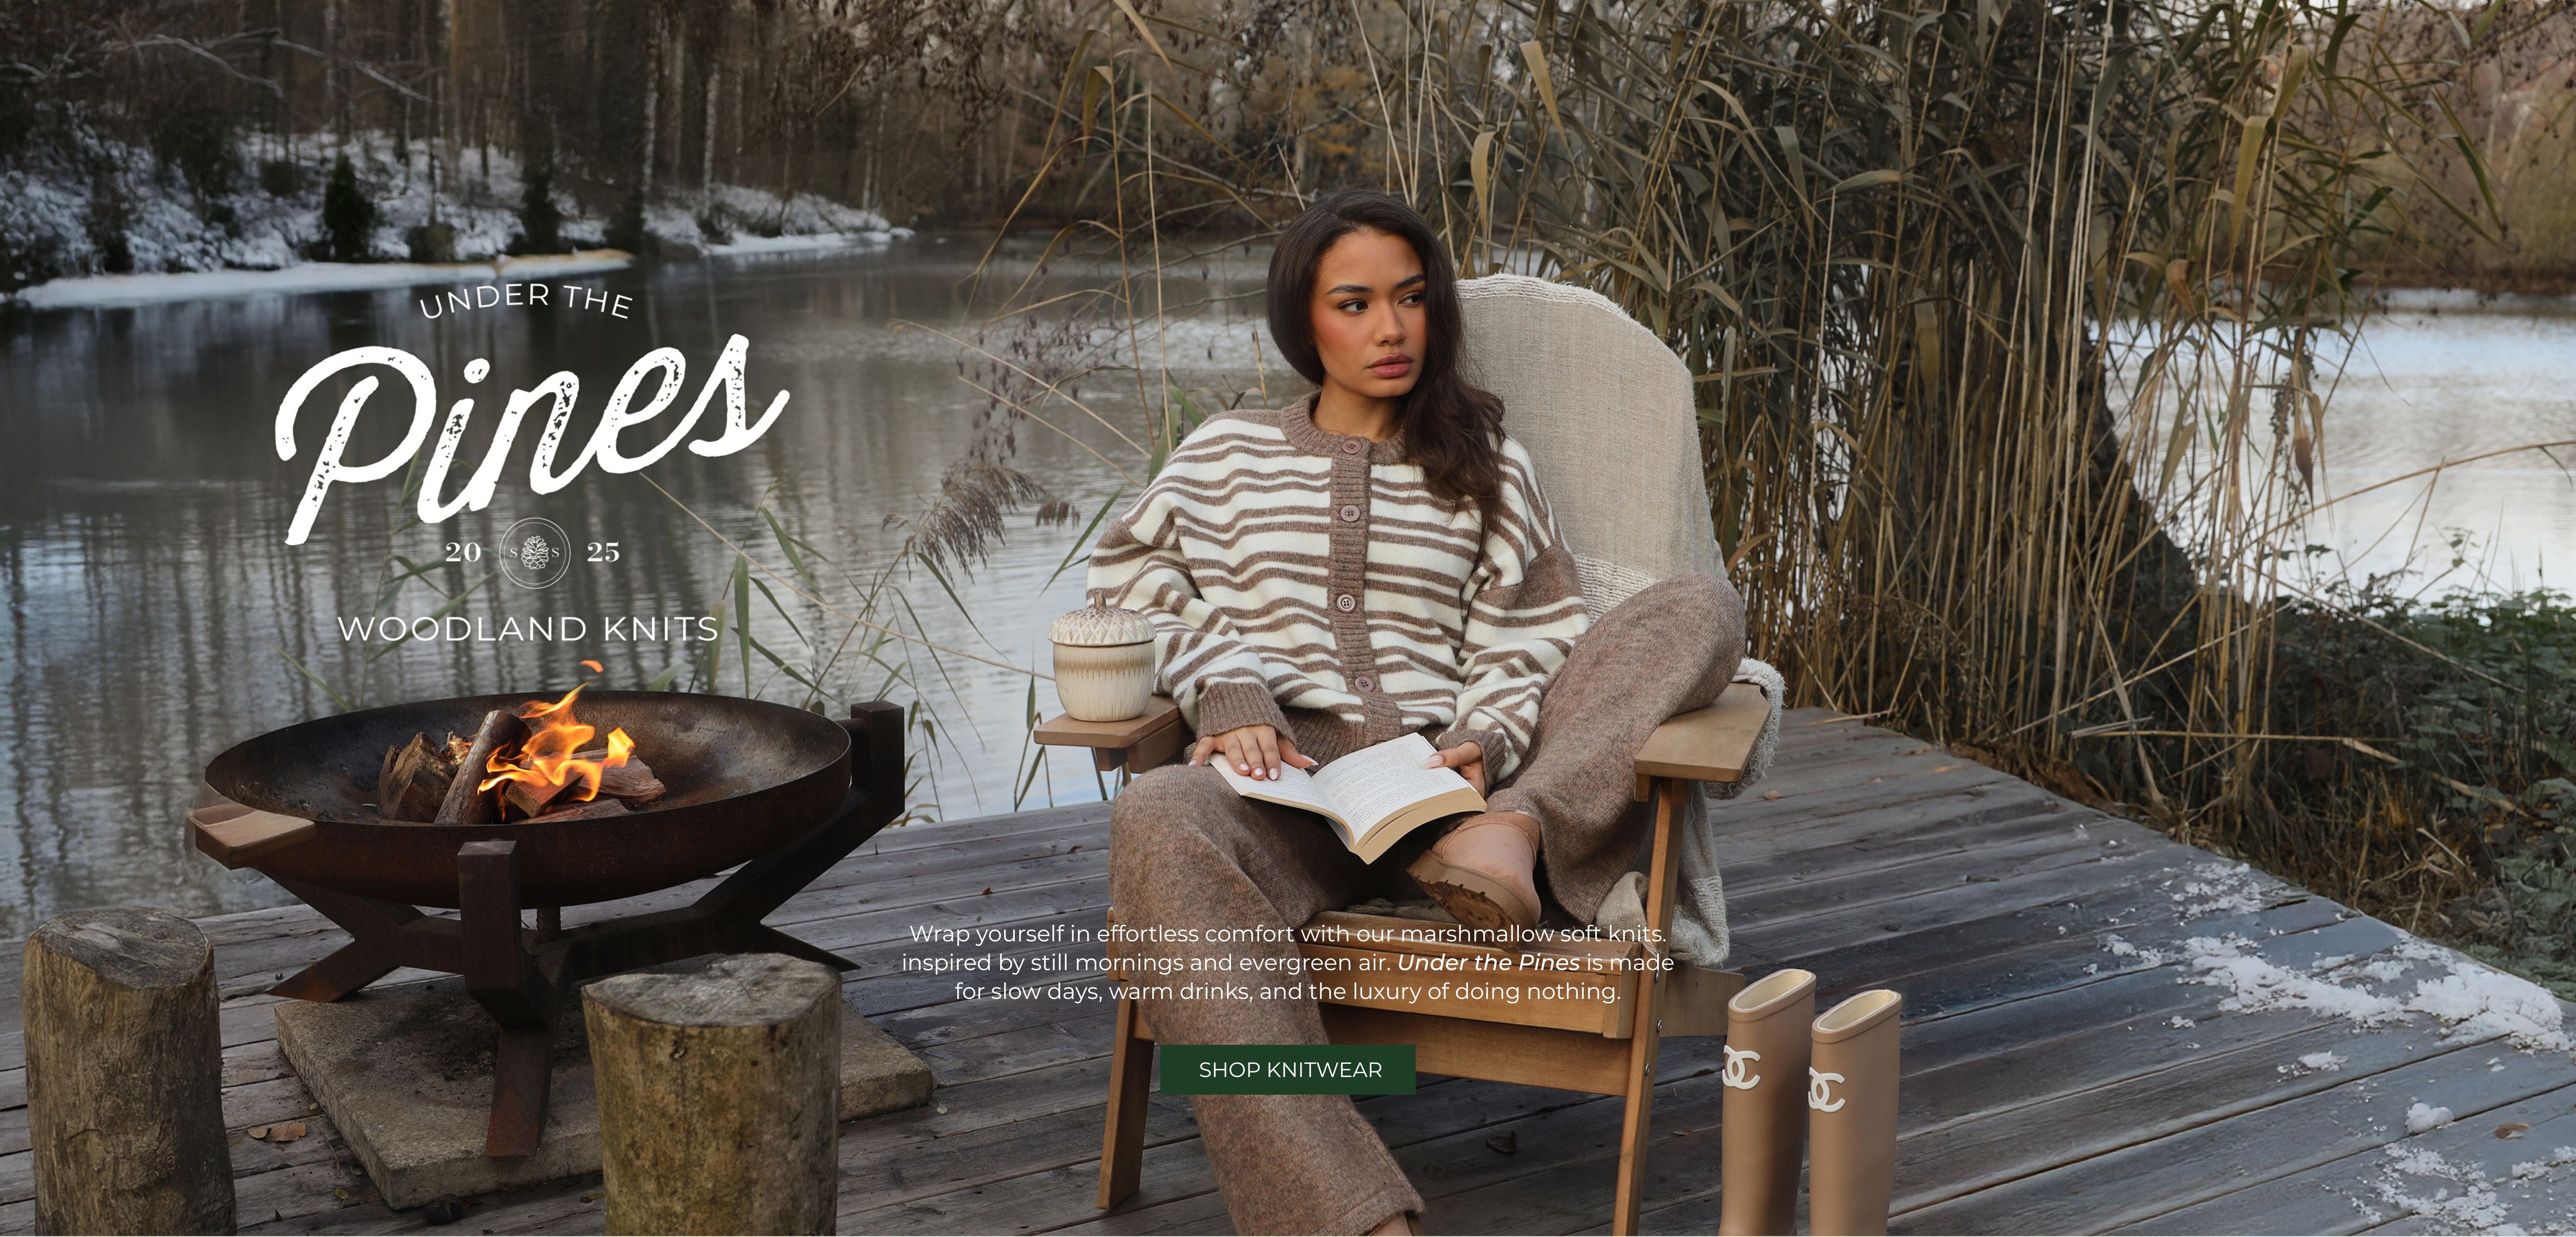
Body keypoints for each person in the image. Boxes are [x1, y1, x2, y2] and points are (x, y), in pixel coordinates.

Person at [1088, 190, 1745, 1235]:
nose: (1391, 329)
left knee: (1700, 605)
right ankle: (1356, 1221)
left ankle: (1513, 832)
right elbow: (1122, 586)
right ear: (1304, 322)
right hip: (1288, 796)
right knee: (1157, 813)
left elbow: (1532, 636)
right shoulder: (1221, 456)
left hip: (1451, 795)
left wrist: (1485, 742)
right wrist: (1226, 684)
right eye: (1355, 304)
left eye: (1411, 299)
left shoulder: (1490, 463)